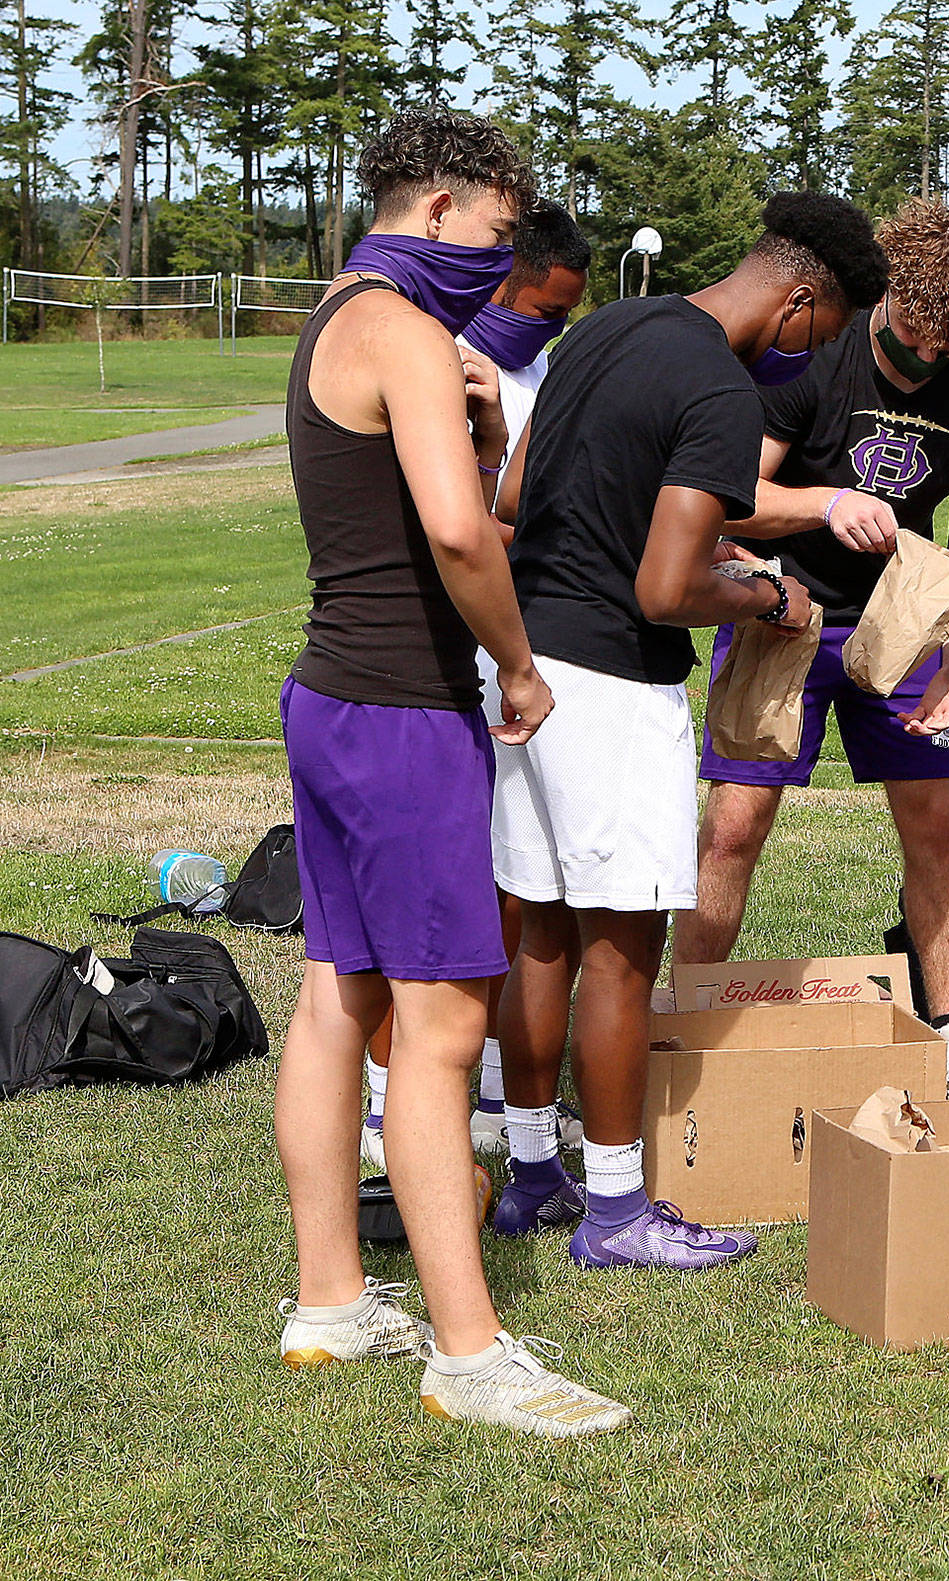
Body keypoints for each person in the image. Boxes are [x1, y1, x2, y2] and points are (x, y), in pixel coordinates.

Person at [273, 107, 628, 1438]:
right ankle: (471, 1355)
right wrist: (523, 668)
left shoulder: (336, 313)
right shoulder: (411, 332)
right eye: (495, 228)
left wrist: (476, 427)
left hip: (329, 700)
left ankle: (329, 1300)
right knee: (440, 1032)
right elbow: (460, 539)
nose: (500, 254)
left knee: (335, 997)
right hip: (405, 717)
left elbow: (428, 489)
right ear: (447, 204)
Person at [486, 193, 891, 1268]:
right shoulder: (716, 386)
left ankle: (534, 1175)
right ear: (801, 299)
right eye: (828, 330)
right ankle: (617, 1212)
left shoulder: (612, 325)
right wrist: (767, 597)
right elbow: (667, 588)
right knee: (621, 954)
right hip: (614, 686)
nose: (813, 354)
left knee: (540, 930)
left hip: (525, 659)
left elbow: (516, 495)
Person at [672, 200, 949, 1101]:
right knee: (734, 828)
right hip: (778, 604)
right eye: (914, 334)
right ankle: (683, 1020)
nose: (926, 359)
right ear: (887, 293)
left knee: (935, 827)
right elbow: (727, 494)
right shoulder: (812, 352)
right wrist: (827, 501)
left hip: (903, 619)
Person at [359, 197, 594, 1173]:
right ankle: (388, 1119)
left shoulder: (530, 365)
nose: (549, 328)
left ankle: (496, 1086)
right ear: (499, 278)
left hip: (515, 652)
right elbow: (455, 530)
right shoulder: (435, 353)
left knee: (520, 885)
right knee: (447, 898)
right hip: (450, 664)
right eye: (541, 308)